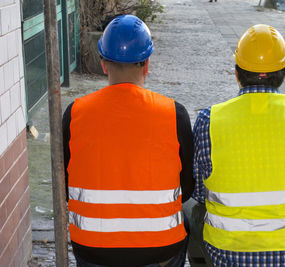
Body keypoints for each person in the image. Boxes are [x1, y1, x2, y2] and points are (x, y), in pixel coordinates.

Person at [191, 24, 285, 266]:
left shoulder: (208, 120)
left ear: (237, 73)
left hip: (226, 253)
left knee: (192, 212)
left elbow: (197, 191)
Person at [62, 15, 194, 267]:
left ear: (103, 64)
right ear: (146, 65)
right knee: (186, 220)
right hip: (159, 248)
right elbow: (186, 188)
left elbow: (66, 183)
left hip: (92, 247)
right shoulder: (174, 113)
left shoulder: (74, 113)